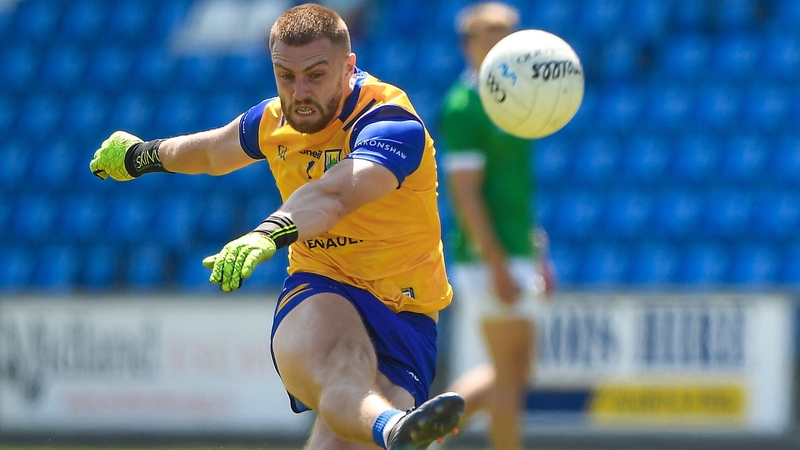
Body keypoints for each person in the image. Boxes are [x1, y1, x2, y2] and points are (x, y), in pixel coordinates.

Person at [89, 4, 464, 449]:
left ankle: (389, 427)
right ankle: (395, 428)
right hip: (324, 284)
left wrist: (266, 232)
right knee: (345, 367)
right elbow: (210, 152)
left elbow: (334, 196)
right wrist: (140, 156)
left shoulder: (391, 124)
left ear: (349, 67)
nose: (299, 92)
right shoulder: (274, 120)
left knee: (341, 438)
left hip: (407, 311)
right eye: (285, 76)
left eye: (316, 75)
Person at [436, 2, 556, 449]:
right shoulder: (465, 105)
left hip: (516, 248)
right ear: (468, 44)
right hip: (489, 256)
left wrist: (536, 250)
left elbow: (514, 190)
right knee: (509, 377)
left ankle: (422, 431)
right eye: (490, 32)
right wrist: (497, 261)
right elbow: (465, 193)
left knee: (520, 368)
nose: (503, 38)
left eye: (509, 31)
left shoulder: (515, 100)